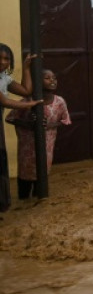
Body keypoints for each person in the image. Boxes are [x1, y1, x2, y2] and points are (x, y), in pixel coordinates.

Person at [6, 69, 70, 200]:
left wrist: (50, 125)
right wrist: (28, 124)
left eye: (54, 78)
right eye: (47, 78)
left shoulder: (59, 102)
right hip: (27, 148)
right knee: (25, 176)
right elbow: (10, 118)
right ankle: (23, 199)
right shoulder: (28, 100)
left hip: (47, 146)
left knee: (42, 175)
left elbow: (65, 120)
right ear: (37, 82)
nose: (52, 80)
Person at [0, 44, 41, 211]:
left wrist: (26, 68)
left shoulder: (4, 77)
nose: (2, 62)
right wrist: (29, 105)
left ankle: (3, 204)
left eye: (6, 59)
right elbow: (3, 101)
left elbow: (26, 90)